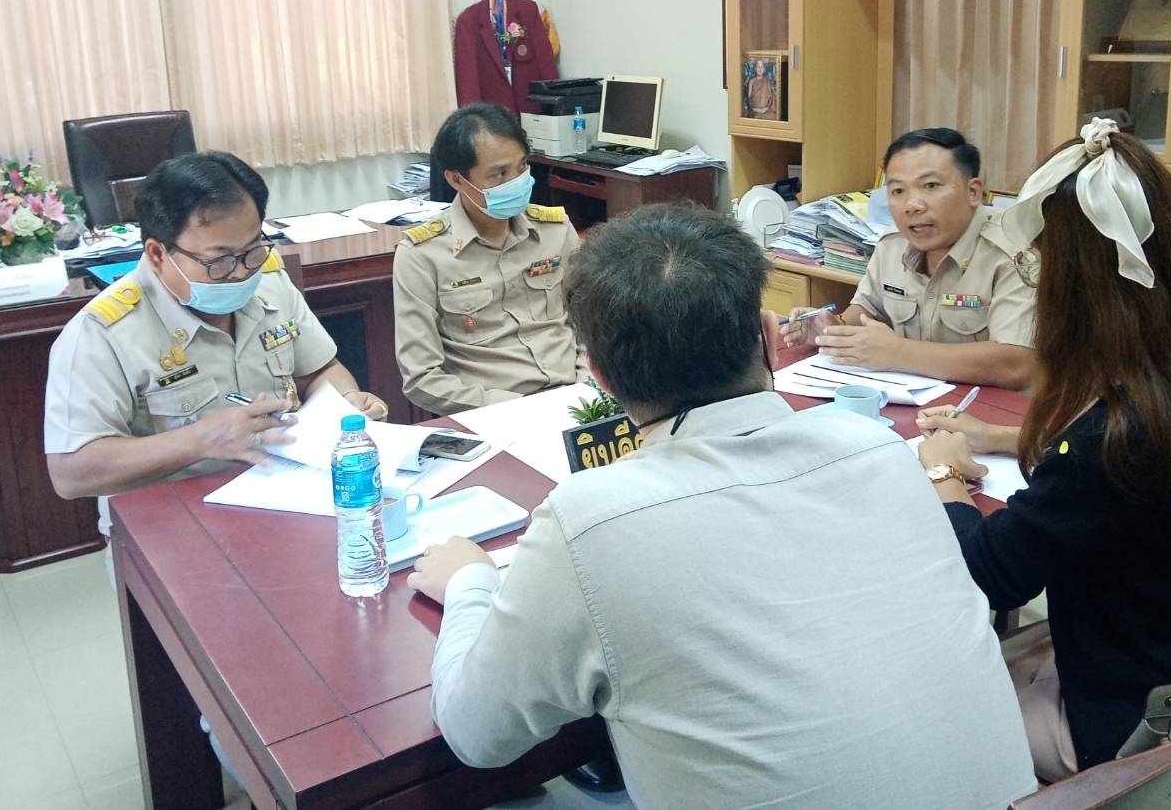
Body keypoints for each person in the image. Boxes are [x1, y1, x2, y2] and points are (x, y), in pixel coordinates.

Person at [407, 204, 1037, 809]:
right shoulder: (878, 449)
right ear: (770, 337)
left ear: (597, 373)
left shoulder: (591, 520)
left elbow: (477, 736)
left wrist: (469, 583)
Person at [915, 119, 1171, 780]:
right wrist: (1002, 437)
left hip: (1139, 732)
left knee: (919, 698)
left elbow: (990, 575)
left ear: (1071, 286)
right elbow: (1127, 474)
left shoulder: (1111, 441)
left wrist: (942, 470)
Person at [44, 151, 388, 530]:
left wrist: (345, 403)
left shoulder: (269, 282)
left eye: (252, 250)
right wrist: (200, 441)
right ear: (158, 254)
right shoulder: (102, 332)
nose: (240, 273)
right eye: (218, 260)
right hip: (173, 525)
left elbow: (320, 370)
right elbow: (70, 472)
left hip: (289, 500)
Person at [782, 127, 1036, 389]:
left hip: (986, 406)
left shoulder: (1015, 254)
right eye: (898, 191)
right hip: (909, 399)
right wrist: (833, 329)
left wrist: (897, 352)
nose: (912, 205)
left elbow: (1015, 364)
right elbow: (868, 310)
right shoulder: (892, 244)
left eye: (930, 186)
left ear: (973, 192)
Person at [393, 103, 588, 415]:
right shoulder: (422, 255)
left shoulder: (555, 230)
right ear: (456, 180)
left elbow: (593, 326)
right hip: (497, 413)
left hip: (580, 400)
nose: (517, 181)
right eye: (499, 174)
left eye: (522, 167)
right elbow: (422, 378)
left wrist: (587, 389)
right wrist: (516, 409)